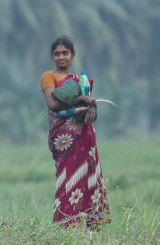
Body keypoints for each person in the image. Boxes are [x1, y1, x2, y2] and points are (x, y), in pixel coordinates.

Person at [40, 36, 110, 227]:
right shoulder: (49, 77)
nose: (61, 57)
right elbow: (53, 104)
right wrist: (82, 99)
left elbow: (89, 108)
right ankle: (66, 223)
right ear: (52, 56)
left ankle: (89, 225)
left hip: (84, 136)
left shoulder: (81, 80)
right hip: (63, 137)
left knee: (89, 177)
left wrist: (92, 107)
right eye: (57, 53)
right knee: (66, 177)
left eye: (65, 53)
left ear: (72, 56)